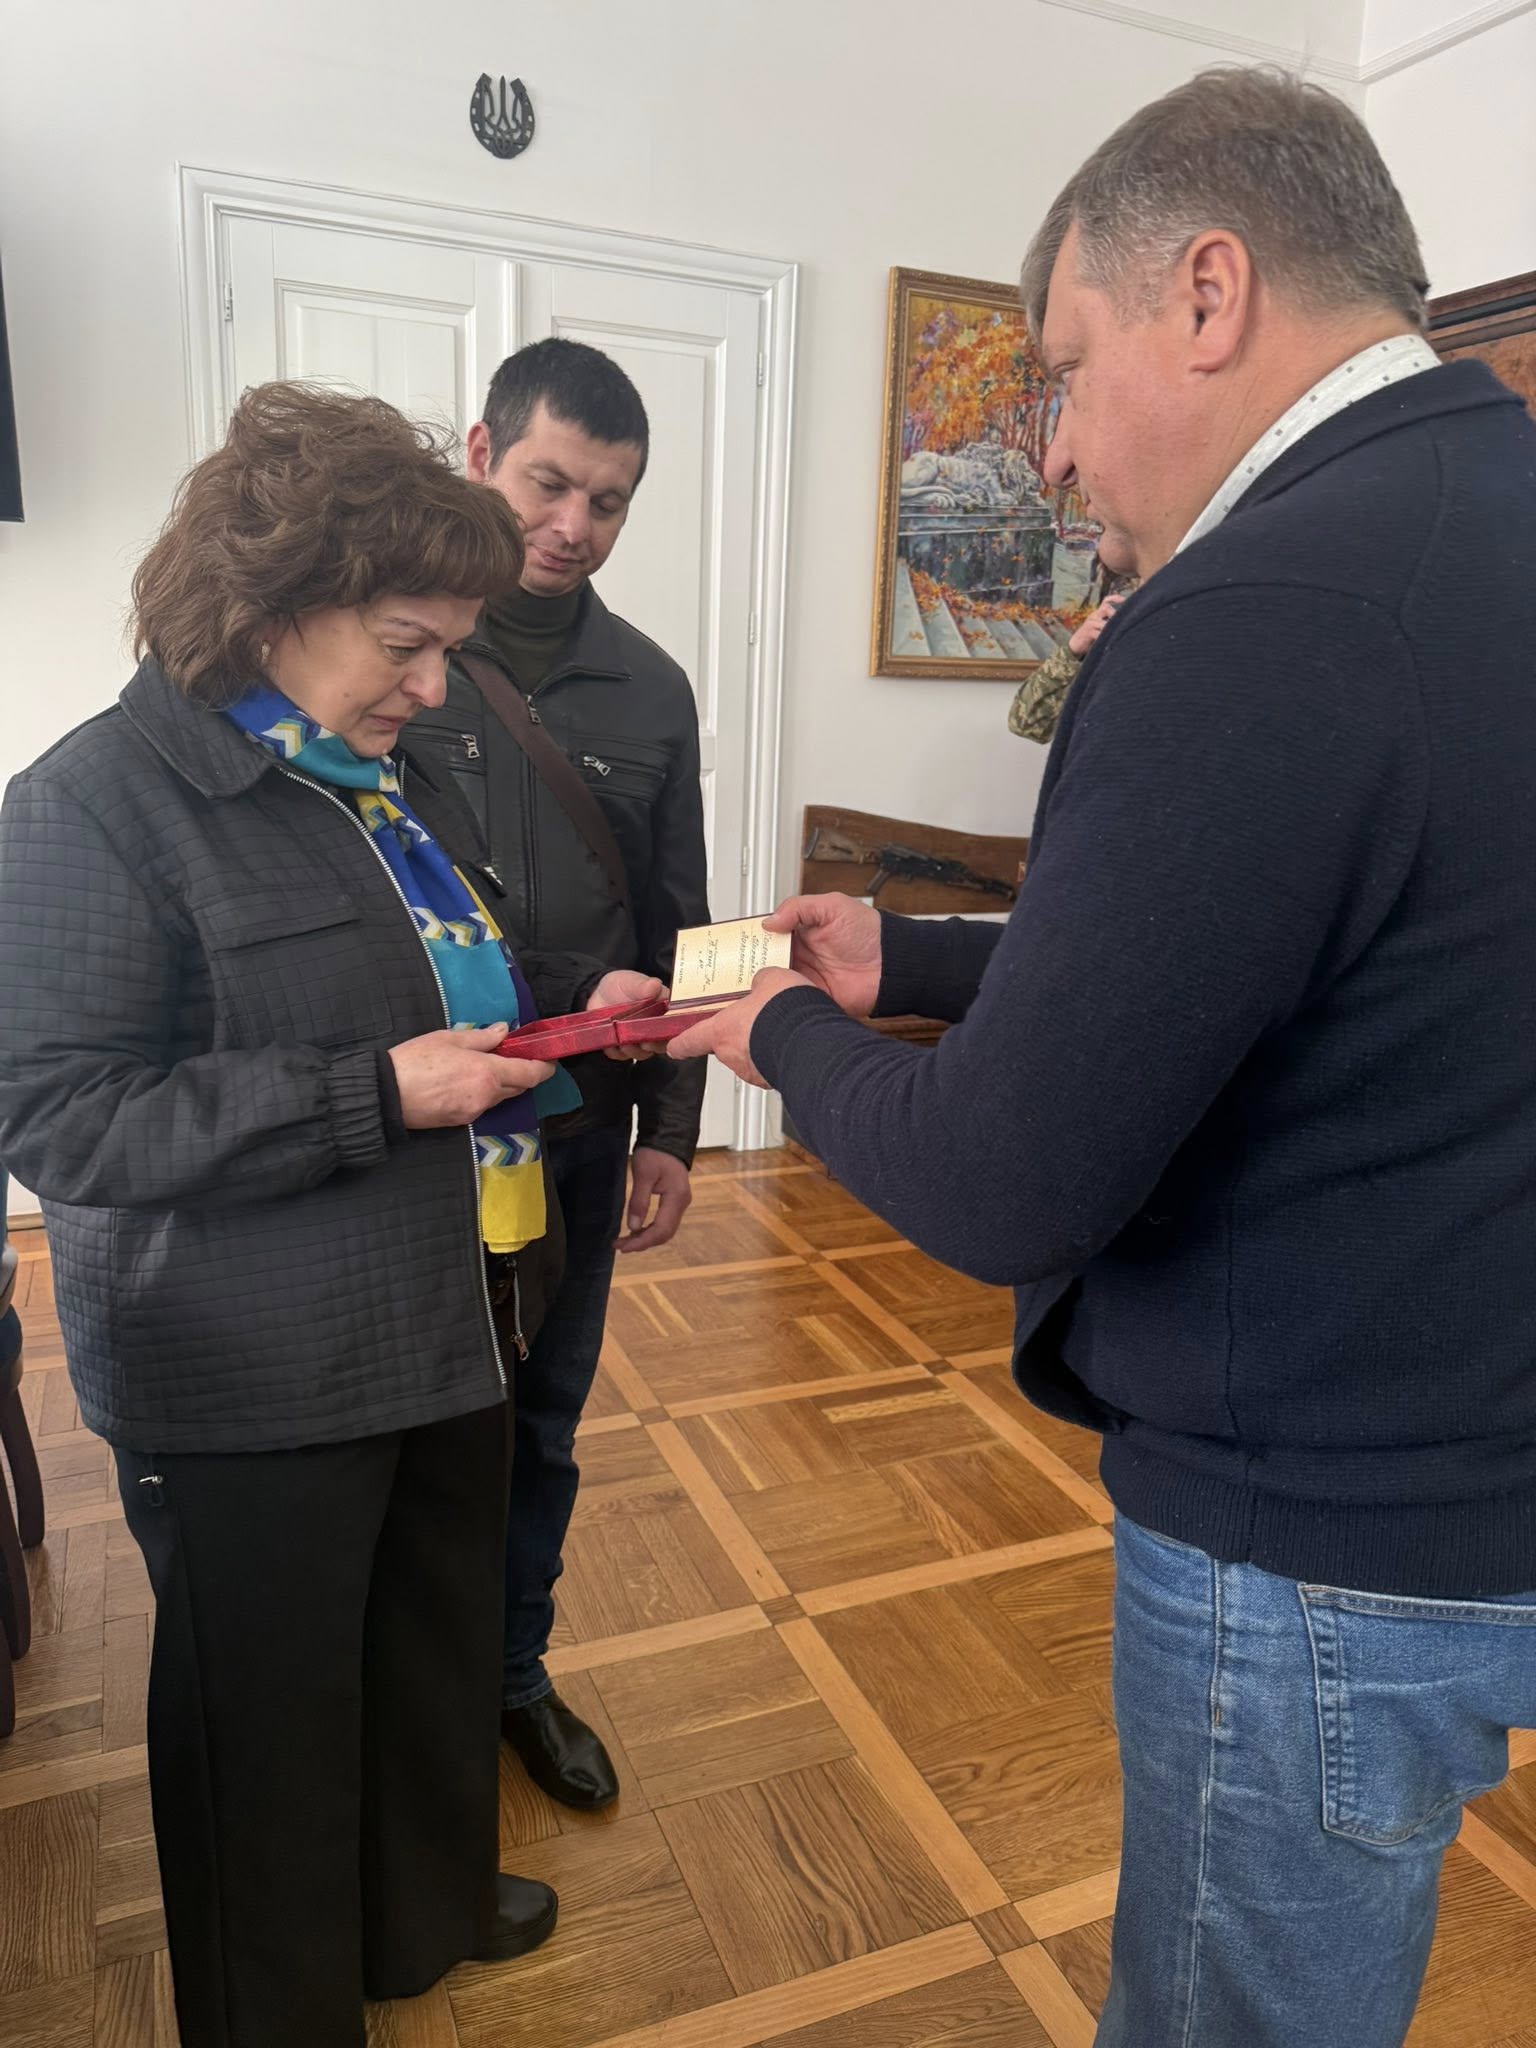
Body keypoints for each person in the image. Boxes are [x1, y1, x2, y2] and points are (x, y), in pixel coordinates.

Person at [671, 66, 1536, 2048]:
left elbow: (1002, 1182)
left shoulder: (1257, 608)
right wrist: (915, 955)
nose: (1051, 450)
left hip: (1313, 1533)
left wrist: (781, 1029)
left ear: (1208, 292)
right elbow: (1335, 955)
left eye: (1062, 372)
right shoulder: (1485, 516)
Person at [0, 383, 647, 2048]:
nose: (436, 688)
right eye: (406, 646)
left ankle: (418, 1914)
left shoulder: (377, 773)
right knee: (268, 1720)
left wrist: (575, 1006)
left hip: (444, 1311)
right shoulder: (90, 806)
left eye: (450, 651)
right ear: (269, 605)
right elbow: (59, 1116)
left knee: (427, 1648)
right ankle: (277, 2008)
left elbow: (433, 978)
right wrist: (371, 1096)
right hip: (248, 1371)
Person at [412, 338, 710, 1810]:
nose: (573, 524)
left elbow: (679, 924)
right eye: (548, 483)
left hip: (584, 1136)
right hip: (416, 1135)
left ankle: (515, 1676)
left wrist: (673, 1133)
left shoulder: (651, 689)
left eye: (609, 502)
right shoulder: (387, 648)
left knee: (546, 1417)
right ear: (480, 454)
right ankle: (411, 1697)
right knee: (420, 1431)